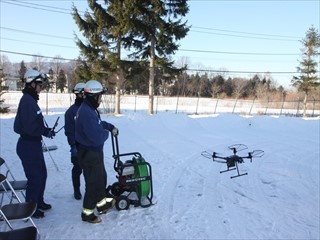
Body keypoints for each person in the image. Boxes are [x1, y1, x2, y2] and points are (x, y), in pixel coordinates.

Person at [13, 69, 56, 218]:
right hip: (28, 145)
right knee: (35, 177)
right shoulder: (27, 101)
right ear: (31, 84)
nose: (41, 87)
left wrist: (46, 130)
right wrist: (45, 131)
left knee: (42, 174)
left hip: (34, 144)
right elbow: (29, 127)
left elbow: (34, 124)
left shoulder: (31, 100)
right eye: (39, 83)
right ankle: (31, 207)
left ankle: (39, 201)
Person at [75, 79, 118, 224]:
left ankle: (101, 205)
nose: (101, 99)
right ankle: (87, 213)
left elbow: (98, 124)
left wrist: (109, 126)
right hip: (90, 153)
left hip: (93, 153)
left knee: (101, 179)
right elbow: (97, 137)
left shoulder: (89, 109)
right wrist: (106, 133)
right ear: (94, 96)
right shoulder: (86, 112)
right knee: (93, 183)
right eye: (100, 96)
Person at [64, 82, 86, 200]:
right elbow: (69, 131)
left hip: (89, 146)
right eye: (82, 94)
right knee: (77, 169)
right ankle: (76, 190)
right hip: (77, 146)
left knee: (89, 170)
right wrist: (73, 145)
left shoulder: (90, 109)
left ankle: (90, 190)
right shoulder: (70, 112)